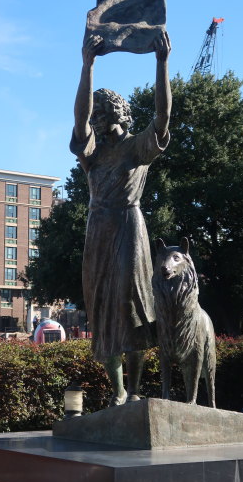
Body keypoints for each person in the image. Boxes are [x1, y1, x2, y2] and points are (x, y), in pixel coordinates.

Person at [70, 31, 172, 406]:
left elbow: (162, 117)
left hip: (129, 228)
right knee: (102, 308)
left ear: (120, 114)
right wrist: (88, 64)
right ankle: (118, 392)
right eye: (94, 113)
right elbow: (79, 119)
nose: (95, 118)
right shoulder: (92, 153)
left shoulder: (137, 148)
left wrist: (161, 64)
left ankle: (137, 390)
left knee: (133, 305)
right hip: (97, 230)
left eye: (103, 112)